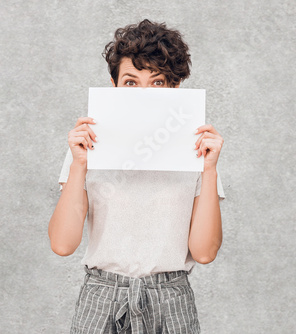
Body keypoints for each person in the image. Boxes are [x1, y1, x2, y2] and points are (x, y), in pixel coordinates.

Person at [48, 18, 226, 333]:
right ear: (115, 86)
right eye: (131, 82)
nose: (144, 94)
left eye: (157, 82)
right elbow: (63, 244)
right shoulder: (89, 145)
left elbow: (204, 252)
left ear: (175, 88)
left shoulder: (196, 149)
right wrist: (79, 165)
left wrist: (209, 170)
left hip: (171, 300)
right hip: (101, 297)